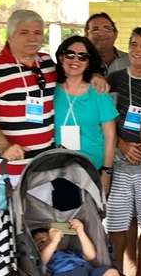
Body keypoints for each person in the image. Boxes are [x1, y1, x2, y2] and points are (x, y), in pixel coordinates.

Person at [0, 9, 57, 187]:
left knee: (42, 207)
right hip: (1, 168)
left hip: (41, 166)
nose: (32, 38)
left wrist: (94, 77)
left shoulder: (47, 63)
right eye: (24, 32)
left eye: (37, 33)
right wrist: (4, 146)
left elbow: (74, 79)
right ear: (9, 36)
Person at [105, 28, 141, 276]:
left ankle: (140, 273)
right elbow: (103, 120)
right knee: (117, 223)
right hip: (120, 161)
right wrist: (121, 144)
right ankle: (118, 271)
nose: (137, 50)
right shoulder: (114, 79)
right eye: (134, 44)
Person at [53, 36, 118, 180]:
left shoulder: (98, 92)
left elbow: (110, 136)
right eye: (70, 54)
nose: (76, 60)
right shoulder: (50, 90)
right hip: (57, 170)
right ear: (61, 57)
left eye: (83, 57)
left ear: (88, 63)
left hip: (92, 168)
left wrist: (106, 172)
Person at [33, 220, 121, 276]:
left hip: (87, 270)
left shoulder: (70, 252)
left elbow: (90, 255)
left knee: (111, 272)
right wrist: (54, 241)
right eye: (41, 242)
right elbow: (41, 262)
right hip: (64, 273)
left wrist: (80, 232)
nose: (48, 242)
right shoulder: (43, 258)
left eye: (50, 239)